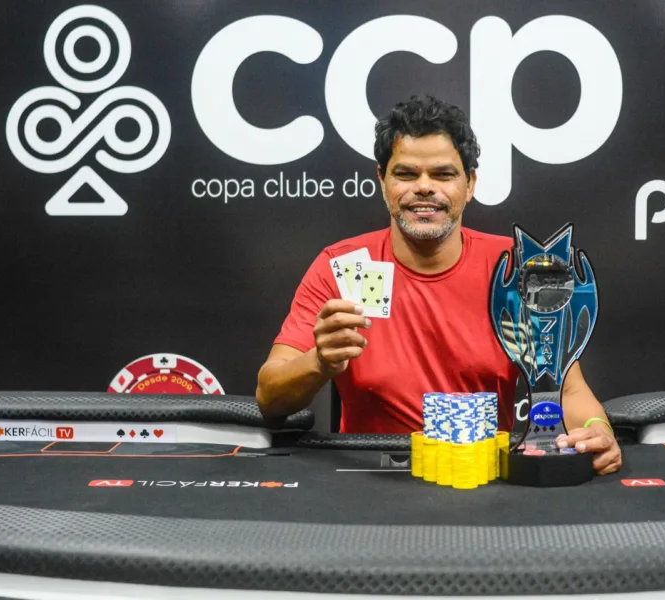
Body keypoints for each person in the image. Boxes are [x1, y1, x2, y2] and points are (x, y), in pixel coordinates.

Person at [256, 95, 621, 476]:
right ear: (382, 180)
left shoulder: (515, 271)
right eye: (406, 174)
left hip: (479, 477)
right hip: (370, 479)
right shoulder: (341, 266)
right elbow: (269, 398)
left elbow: (566, 389)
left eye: (443, 175)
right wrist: (319, 362)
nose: (424, 188)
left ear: (470, 184)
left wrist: (597, 430)